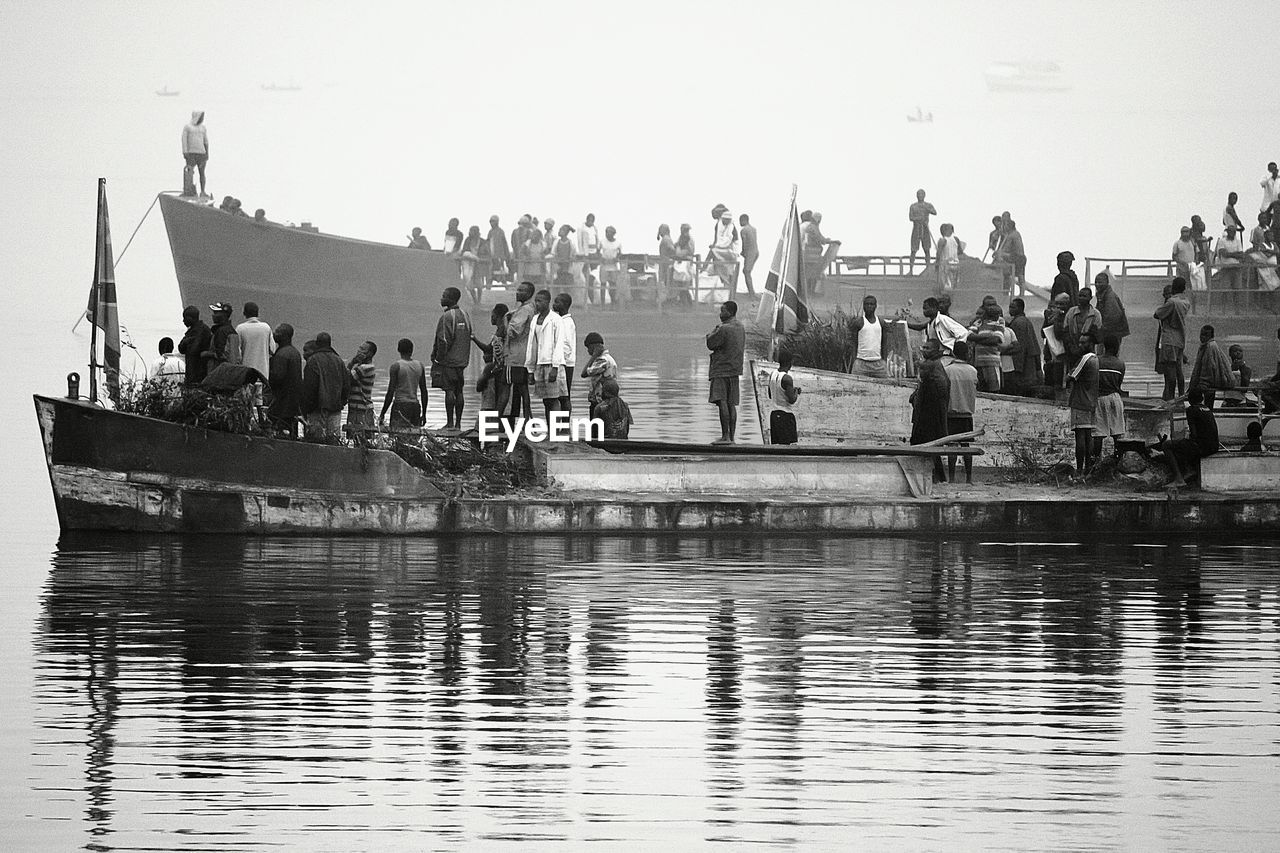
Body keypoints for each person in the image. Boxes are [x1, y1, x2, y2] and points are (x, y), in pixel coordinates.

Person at [431, 286, 473, 431]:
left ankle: (449, 424)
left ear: (451, 298)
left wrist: (438, 359)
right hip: (462, 362)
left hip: (449, 361)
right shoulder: (465, 315)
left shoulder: (447, 317)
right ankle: (458, 424)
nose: (441, 298)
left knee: (449, 390)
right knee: (459, 391)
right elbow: (469, 336)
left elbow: (443, 341)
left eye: (444, 296)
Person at [910, 339, 950, 483]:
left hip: (929, 418)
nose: (924, 350)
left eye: (927, 348)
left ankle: (929, 479)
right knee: (930, 450)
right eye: (924, 347)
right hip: (928, 416)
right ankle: (936, 478)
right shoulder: (936, 367)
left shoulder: (931, 366)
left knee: (924, 448)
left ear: (934, 350)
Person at [1160, 388, 1219, 487]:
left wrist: (1182, 440)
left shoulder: (1191, 410)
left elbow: (1194, 434)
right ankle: (1189, 470)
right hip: (1214, 446)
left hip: (1202, 447)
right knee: (1183, 445)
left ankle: (1179, 479)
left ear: (1190, 400)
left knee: (1167, 445)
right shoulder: (1207, 409)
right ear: (1202, 399)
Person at [706, 300, 746, 444]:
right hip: (735, 370)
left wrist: (713, 331)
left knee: (722, 402)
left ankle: (725, 436)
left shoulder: (723, 329)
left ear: (730, 312)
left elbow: (711, 343)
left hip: (721, 369)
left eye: (722, 311)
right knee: (731, 404)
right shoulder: (740, 327)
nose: (720, 313)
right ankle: (732, 437)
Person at [525, 289, 566, 421]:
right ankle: (549, 428)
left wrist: (555, 367)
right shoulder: (535, 319)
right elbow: (531, 345)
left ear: (547, 302)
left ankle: (555, 430)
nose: (537, 304)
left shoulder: (556, 320)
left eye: (540, 301)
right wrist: (530, 370)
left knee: (554, 399)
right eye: (536, 301)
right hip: (539, 363)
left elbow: (559, 344)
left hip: (552, 364)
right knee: (546, 400)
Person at [300, 332, 350, 440]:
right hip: (335, 408)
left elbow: (310, 387)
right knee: (334, 440)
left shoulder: (313, 360)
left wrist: (307, 408)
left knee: (316, 440)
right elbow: (346, 385)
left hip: (317, 409)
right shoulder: (339, 360)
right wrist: (342, 402)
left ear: (317, 344)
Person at [944, 340, 978, 484]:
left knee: (951, 446)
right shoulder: (973, 371)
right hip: (966, 414)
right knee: (966, 447)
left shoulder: (947, 370)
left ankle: (951, 479)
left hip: (951, 414)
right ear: (967, 354)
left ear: (953, 353)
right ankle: (968, 479)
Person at [1154, 277, 1192, 400]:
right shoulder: (1186, 302)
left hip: (1170, 338)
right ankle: (1181, 395)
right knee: (1179, 369)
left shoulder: (1171, 302)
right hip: (1180, 338)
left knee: (1170, 371)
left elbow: (1157, 314)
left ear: (1174, 287)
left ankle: (1170, 398)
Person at [379, 338, 428, 430]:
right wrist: (424, 414)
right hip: (415, 406)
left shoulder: (396, 366)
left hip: (400, 406)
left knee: (398, 435)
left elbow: (390, 392)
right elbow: (424, 391)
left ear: (398, 350)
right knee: (414, 438)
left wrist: (382, 413)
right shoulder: (419, 365)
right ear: (412, 350)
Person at [505, 281, 536, 425]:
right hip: (525, 354)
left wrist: (505, 322)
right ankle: (526, 418)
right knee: (522, 388)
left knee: (516, 387)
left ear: (529, 293)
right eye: (518, 289)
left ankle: (507, 419)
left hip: (517, 355)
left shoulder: (524, 310)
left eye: (522, 290)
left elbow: (513, 331)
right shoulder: (530, 308)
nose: (518, 292)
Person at [473, 303, 510, 418]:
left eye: (492, 315)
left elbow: (489, 349)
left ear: (498, 316)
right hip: (498, 368)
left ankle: (496, 421)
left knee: (497, 396)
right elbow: (489, 349)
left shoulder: (502, 331)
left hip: (498, 368)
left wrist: (474, 339)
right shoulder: (501, 330)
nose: (491, 318)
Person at [1092, 336, 1127, 460]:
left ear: (1104, 347)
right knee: (1118, 433)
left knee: (1098, 434)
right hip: (1115, 398)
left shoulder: (1096, 361)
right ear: (1117, 348)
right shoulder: (1120, 364)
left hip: (1099, 398)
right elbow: (1119, 384)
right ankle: (1118, 459)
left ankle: (1095, 461)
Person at [1066, 345, 1100, 474]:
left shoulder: (1085, 358)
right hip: (1091, 401)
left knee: (1080, 435)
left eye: (1082, 343)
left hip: (1080, 401)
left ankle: (1080, 469)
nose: (1078, 345)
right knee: (1088, 436)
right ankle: (1088, 468)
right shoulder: (1096, 359)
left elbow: (1071, 376)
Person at [267, 323, 303, 437]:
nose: (274, 334)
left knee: (280, 431)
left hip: (282, 402)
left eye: (277, 332)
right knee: (291, 430)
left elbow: (277, 376)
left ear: (285, 336)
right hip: (293, 402)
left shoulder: (282, 354)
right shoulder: (294, 352)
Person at [1189, 324, 1235, 410]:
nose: (1202, 337)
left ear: (1211, 336)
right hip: (1212, 380)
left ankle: (1207, 413)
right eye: (1201, 334)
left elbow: (1209, 368)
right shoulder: (1206, 346)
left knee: (1207, 399)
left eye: (1205, 335)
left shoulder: (1210, 347)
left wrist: (1203, 383)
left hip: (1211, 382)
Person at [1056, 286, 1102, 369]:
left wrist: (1084, 347)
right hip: (1072, 352)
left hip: (1088, 354)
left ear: (1090, 298)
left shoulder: (1096, 314)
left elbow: (1097, 335)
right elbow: (1065, 332)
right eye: (1080, 296)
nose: (1081, 298)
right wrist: (1072, 347)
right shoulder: (1071, 312)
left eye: (1084, 296)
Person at [849, 295, 892, 377]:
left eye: (871, 304)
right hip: (861, 363)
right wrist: (854, 361)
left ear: (876, 306)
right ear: (863, 306)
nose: (869, 306)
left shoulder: (881, 322)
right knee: (857, 387)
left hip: (878, 364)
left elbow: (884, 343)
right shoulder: (858, 322)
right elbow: (854, 343)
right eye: (867, 304)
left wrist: (884, 361)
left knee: (885, 386)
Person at [1006, 297, 1042, 396]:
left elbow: (1020, 347)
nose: (1010, 309)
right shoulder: (1024, 321)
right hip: (1029, 361)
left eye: (1013, 307)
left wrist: (1017, 368)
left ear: (1020, 308)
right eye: (1010, 307)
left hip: (1024, 364)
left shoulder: (1019, 323)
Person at [766, 350, 801, 445]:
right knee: (786, 447)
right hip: (786, 416)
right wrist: (796, 392)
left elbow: (770, 394)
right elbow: (792, 400)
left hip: (774, 415)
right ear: (790, 363)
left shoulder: (772, 375)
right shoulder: (787, 378)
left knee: (777, 447)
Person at [235, 301, 273, 387]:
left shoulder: (240, 328)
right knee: (259, 398)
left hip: (246, 373)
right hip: (263, 374)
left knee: (246, 399)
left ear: (244, 313)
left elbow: (238, 354)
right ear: (258, 313)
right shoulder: (266, 328)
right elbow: (272, 349)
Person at [969, 304, 1006, 393]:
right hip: (978, 363)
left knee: (994, 390)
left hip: (992, 363)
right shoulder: (978, 323)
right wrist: (988, 336)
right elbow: (969, 336)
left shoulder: (999, 323)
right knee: (980, 390)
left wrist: (978, 338)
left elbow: (996, 340)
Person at [1091, 270, 1130, 351]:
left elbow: (1113, 317)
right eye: (1096, 282)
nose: (1097, 284)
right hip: (1108, 333)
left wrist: (1102, 330)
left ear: (1107, 283)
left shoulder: (1110, 297)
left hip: (1112, 334)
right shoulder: (1101, 295)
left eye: (1100, 282)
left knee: (1109, 356)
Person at [1042, 293, 1072, 390]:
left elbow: (1059, 335)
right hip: (1050, 354)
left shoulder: (1069, 317)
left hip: (1063, 354)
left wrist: (1058, 319)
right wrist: (1048, 320)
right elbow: (1043, 334)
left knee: (1061, 381)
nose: (1058, 307)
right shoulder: (1051, 317)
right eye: (1057, 304)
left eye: (1062, 304)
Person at [345, 341, 378, 431]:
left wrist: (352, 362)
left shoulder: (365, 368)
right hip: (356, 407)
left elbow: (345, 377)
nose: (359, 351)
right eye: (359, 348)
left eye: (362, 349)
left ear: (370, 353)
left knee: (360, 438)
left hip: (361, 409)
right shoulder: (361, 367)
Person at [580, 331, 618, 408]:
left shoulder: (602, 360)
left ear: (594, 347)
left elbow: (584, 374)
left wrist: (594, 356)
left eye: (588, 348)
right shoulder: (609, 358)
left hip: (600, 402)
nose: (588, 351)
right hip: (607, 402)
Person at [177, 305, 212, 386]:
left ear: (190, 318)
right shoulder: (193, 331)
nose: (183, 321)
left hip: (199, 372)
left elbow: (193, 350)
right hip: (192, 371)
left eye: (185, 318)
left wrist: (187, 342)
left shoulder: (200, 331)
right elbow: (181, 348)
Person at [706, 208, 740, 291]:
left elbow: (729, 241)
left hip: (731, 251)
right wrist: (716, 245)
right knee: (720, 267)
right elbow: (719, 239)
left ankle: (704, 267)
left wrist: (716, 246)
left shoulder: (731, 227)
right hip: (723, 250)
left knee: (713, 252)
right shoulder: (720, 225)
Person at [201, 302, 240, 374]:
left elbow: (221, 355)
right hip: (230, 372)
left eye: (216, 313)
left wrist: (206, 354)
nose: (213, 315)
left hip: (219, 373)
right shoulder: (232, 330)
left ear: (223, 315)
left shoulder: (221, 331)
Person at [553, 293, 576, 413]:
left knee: (564, 396)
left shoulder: (566, 323)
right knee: (560, 395)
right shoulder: (560, 321)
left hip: (565, 363)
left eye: (557, 302)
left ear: (565, 305)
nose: (554, 304)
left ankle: (565, 425)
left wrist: (559, 361)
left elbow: (566, 346)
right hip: (562, 362)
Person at [1215, 225, 1246, 313]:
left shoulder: (1238, 241)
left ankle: (1237, 310)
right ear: (1227, 231)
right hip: (1226, 268)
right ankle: (1223, 309)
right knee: (1225, 289)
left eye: (1234, 231)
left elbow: (1241, 254)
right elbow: (1223, 253)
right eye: (1231, 231)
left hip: (1236, 267)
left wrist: (1230, 254)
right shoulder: (1222, 241)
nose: (1233, 233)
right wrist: (1235, 254)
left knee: (1237, 289)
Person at [907, 189, 937, 273]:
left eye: (922, 194)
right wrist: (918, 218)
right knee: (913, 250)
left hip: (925, 228)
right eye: (919, 194)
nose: (920, 196)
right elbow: (911, 217)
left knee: (927, 249)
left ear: (924, 195)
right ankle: (911, 269)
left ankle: (928, 268)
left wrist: (928, 209)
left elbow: (934, 212)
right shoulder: (913, 206)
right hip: (916, 228)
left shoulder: (928, 205)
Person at [995, 219, 1027, 293]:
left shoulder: (1012, 235)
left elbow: (1007, 247)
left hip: (1017, 257)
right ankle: (1021, 293)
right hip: (1019, 257)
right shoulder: (1014, 234)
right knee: (1020, 276)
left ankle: (1007, 290)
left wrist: (1000, 253)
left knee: (1018, 276)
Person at [181, 110, 209, 197]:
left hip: (201, 153)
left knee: (202, 173)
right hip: (191, 153)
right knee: (189, 172)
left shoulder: (203, 128)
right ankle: (188, 190)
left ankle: (203, 191)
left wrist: (207, 153)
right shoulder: (187, 127)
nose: (202, 119)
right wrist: (185, 151)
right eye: (201, 117)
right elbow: (184, 140)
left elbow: (206, 141)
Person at [576, 213, 600, 300]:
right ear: (586, 219)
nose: (591, 222)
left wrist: (597, 250)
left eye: (592, 221)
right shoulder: (581, 228)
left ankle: (591, 291)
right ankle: (588, 296)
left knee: (593, 273)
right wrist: (583, 254)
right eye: (589, 220)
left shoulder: (594, 228)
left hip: (594, 253)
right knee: (585, 273)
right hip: (586, 253)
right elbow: (580, 241)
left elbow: (597, 239)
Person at [935, 223, 964, 291]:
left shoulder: (942, 240)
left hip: (945, 264)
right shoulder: (956, 239)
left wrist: (936, 264)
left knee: (945, 285)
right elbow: (960, 252)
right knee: (954, 282)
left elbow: (938, 254)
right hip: (956, 263)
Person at [673, 224, 698, 303]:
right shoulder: (680, 238)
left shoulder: (690, 239)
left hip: (686, 263)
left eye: (686, 230)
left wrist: (681, 252)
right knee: (679, 283)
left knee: (685, 284)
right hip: (679, 264)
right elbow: (676, 247)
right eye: (684, 229)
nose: (685, 231)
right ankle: (683, 301)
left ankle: (687, 302)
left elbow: (690, 251)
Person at [599, 226, 622, 304]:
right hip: (604, 266)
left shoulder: (618, 243)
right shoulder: (602, 241)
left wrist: (616, 259)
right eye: (606, 232)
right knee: (603, 284)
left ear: (613, 234)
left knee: (613, 284)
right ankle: (602, 303)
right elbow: (598, 251)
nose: (607, 234)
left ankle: (613, 302)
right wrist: (601, 258)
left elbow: (620, 253)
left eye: (608, 232)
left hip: (613, 266)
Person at [486, 215, 511, 286]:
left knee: (501, 273)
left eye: (493, 221)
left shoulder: (500, 231)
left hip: (500, 256)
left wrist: (506, 255)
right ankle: (488, 288)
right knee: (490, 273)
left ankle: (506, 287)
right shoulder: (490, 232)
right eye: (490, 221)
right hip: (491, 257)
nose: (491, 223)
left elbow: (504, 244)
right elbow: (488, 244)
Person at [739, 214, 759, 296]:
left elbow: (744, 243)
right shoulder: (754, 229)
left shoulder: (743, 230)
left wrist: (743, 252)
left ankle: (751, 293)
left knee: (746, 272)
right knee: (747, 271)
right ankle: (751, 291)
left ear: (744, 220)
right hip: (756, 252)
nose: (739, 223)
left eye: (740, 221)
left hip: (750, 252)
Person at [657, 223, 677, 302]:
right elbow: (672, 249)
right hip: (666, 265)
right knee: (666, 283)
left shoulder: (665, 239)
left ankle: (668, 300)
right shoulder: (667, 239)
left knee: (667, 283)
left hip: (666, 265)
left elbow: (671, 249)